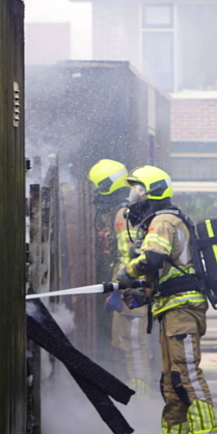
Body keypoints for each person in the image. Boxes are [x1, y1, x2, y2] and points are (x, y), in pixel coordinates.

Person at [119, 166, 217, 434]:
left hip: (183, 309)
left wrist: (126, 273)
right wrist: (145, 294)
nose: (133, 198)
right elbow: (166, 272)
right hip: (170, 306)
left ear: (151, 192)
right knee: (172, 378)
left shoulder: (163, 220)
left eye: (137, 190)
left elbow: (151, 260)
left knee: (187, 373)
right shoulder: (163, 219)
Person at [87, 159, 153, 396]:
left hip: (131, 290)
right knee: (124, 343)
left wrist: (120, 287)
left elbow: (132, 256)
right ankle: (132, 392)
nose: (96, 194)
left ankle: (142, 398)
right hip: (124, 289)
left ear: (107, 185)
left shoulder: (124, 215)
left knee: (134, 345)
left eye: (98, 187)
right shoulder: (121, 213)